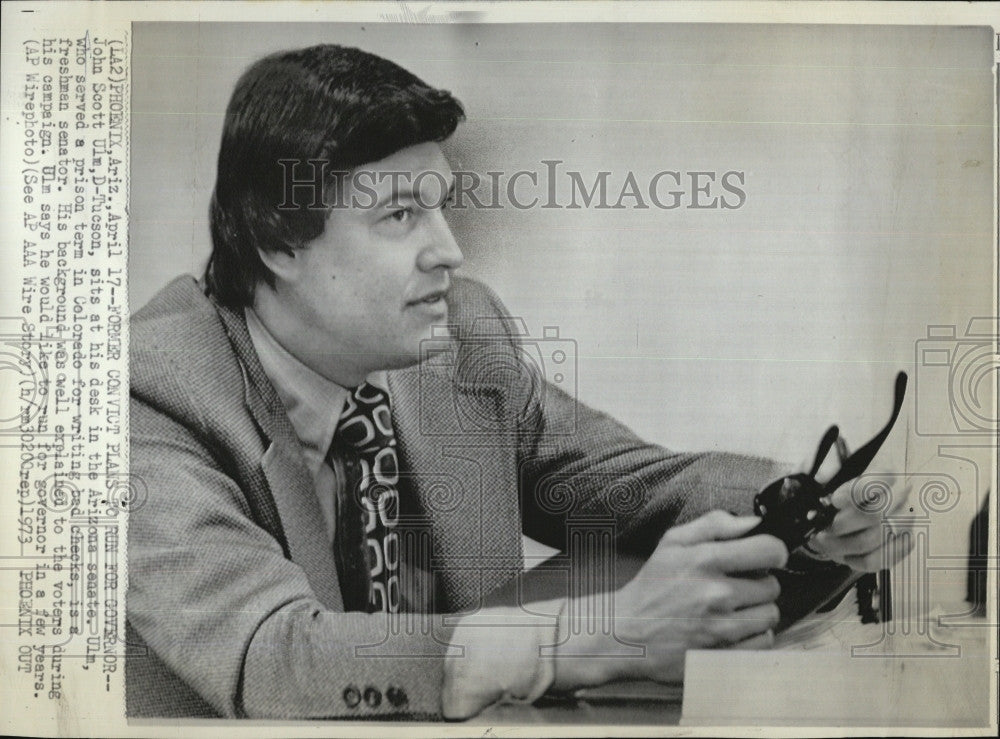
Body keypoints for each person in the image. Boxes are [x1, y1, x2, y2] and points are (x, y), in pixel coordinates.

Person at [126, 44, 912, 720]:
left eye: (443, 208)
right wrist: (598, 632)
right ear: (276, 239)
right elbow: (273, 655)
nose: (448, 251)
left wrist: (805, 506)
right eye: (400, 215)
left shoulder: (457, 339)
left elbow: (627, 482)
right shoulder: (146, 394)